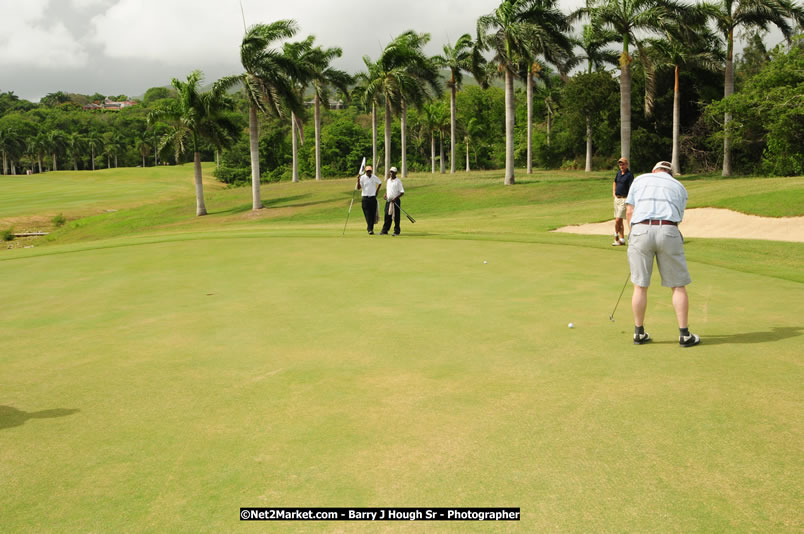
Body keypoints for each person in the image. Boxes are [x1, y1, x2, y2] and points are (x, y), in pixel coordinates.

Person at [626, 160, 701, 347]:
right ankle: (684, 335)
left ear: (654, 170)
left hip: (640, 230)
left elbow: (629, 211)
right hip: (668, 230)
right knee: (678, 286)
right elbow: (679, 216)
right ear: (671, 174)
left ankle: (639, 332)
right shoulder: (680, 187)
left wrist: (633, 234)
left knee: (639, 286)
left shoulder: (640, 179)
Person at [612, 157, 634, 246]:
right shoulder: (618, 173)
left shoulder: (629, 175)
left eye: (623, 164)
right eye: (620, 164)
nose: (621, 166)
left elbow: (632, 188)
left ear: (627, 165)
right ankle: (621, 239)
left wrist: (628, 199)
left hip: (624, 199)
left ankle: (615, 234)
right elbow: (614, 182)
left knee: (618, 219)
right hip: (617, 199)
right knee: (619, 220)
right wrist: (613, 193)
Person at [357, 165, 382, 234]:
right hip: (365, 198)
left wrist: (377, 191)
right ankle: (370, 228)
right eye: (367, 171)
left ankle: (370, 229)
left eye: (370, 171)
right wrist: (358, 180)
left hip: (373, 198)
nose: (369, 172)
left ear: (371, 171)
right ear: (365, 171)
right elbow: (358, 188)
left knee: (373, 214)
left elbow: (380, 183)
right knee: (367, 214)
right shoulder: (362, 178)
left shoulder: (374, 177)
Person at [379, 166, 404, 236]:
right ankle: (385, 230)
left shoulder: (398, 181)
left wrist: (395, 198)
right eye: (390, 172)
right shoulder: (388, 181)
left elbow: (402, 192)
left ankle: (396, 231)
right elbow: (388, 190)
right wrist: (385, 194)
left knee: (396, 217)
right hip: (388, 201)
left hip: (396, 201)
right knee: (387, 215)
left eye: (393, 172)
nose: (391, 173)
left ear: (396, 173)